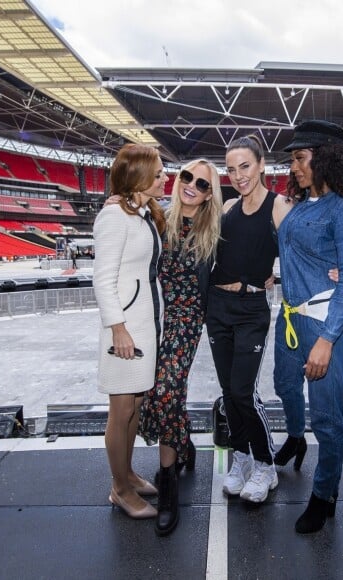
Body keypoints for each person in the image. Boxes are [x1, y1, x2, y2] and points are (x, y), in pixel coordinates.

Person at [273, 120, 343, 533]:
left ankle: (324, 494)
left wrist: (328, 341)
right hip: (290, 319)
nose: (294, 165)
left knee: (329, 419)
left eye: (300, 157)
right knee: (284, 386)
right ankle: (296, 437)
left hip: (324, 326)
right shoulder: (301, 206)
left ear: (326, 157)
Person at [205, 135, 292, 504]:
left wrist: (280, 276)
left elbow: (300, 252)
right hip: (217, 306)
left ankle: (266, 465)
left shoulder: (280, 205)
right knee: (228, 392)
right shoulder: (226, 208)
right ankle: (241, 457)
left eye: (245, 166)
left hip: (251, 308)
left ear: (261, 166)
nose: (238, 175)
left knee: (243, 390)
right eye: (231, 169)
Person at [138, 159, 222, 535]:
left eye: (202, 184)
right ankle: (183, 443)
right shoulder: (158, 218)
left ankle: (168, 481)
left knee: (168, 389)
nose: (191, 185)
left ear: (209, 194)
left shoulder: (215, 228)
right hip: (151, 317)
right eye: (187, 176)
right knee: (155, 392)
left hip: (187, 319)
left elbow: (258, 236)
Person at [92, 143, 168, 520]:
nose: (164, 178)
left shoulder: (141, 214)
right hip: (125, 330)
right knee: (121, 410)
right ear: (138, 178)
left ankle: (128, 473)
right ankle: (119, 489)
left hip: (144, 324)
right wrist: (118, 329)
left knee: (135, 404)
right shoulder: (114, 218)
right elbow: (102, 280)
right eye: (158, 174)